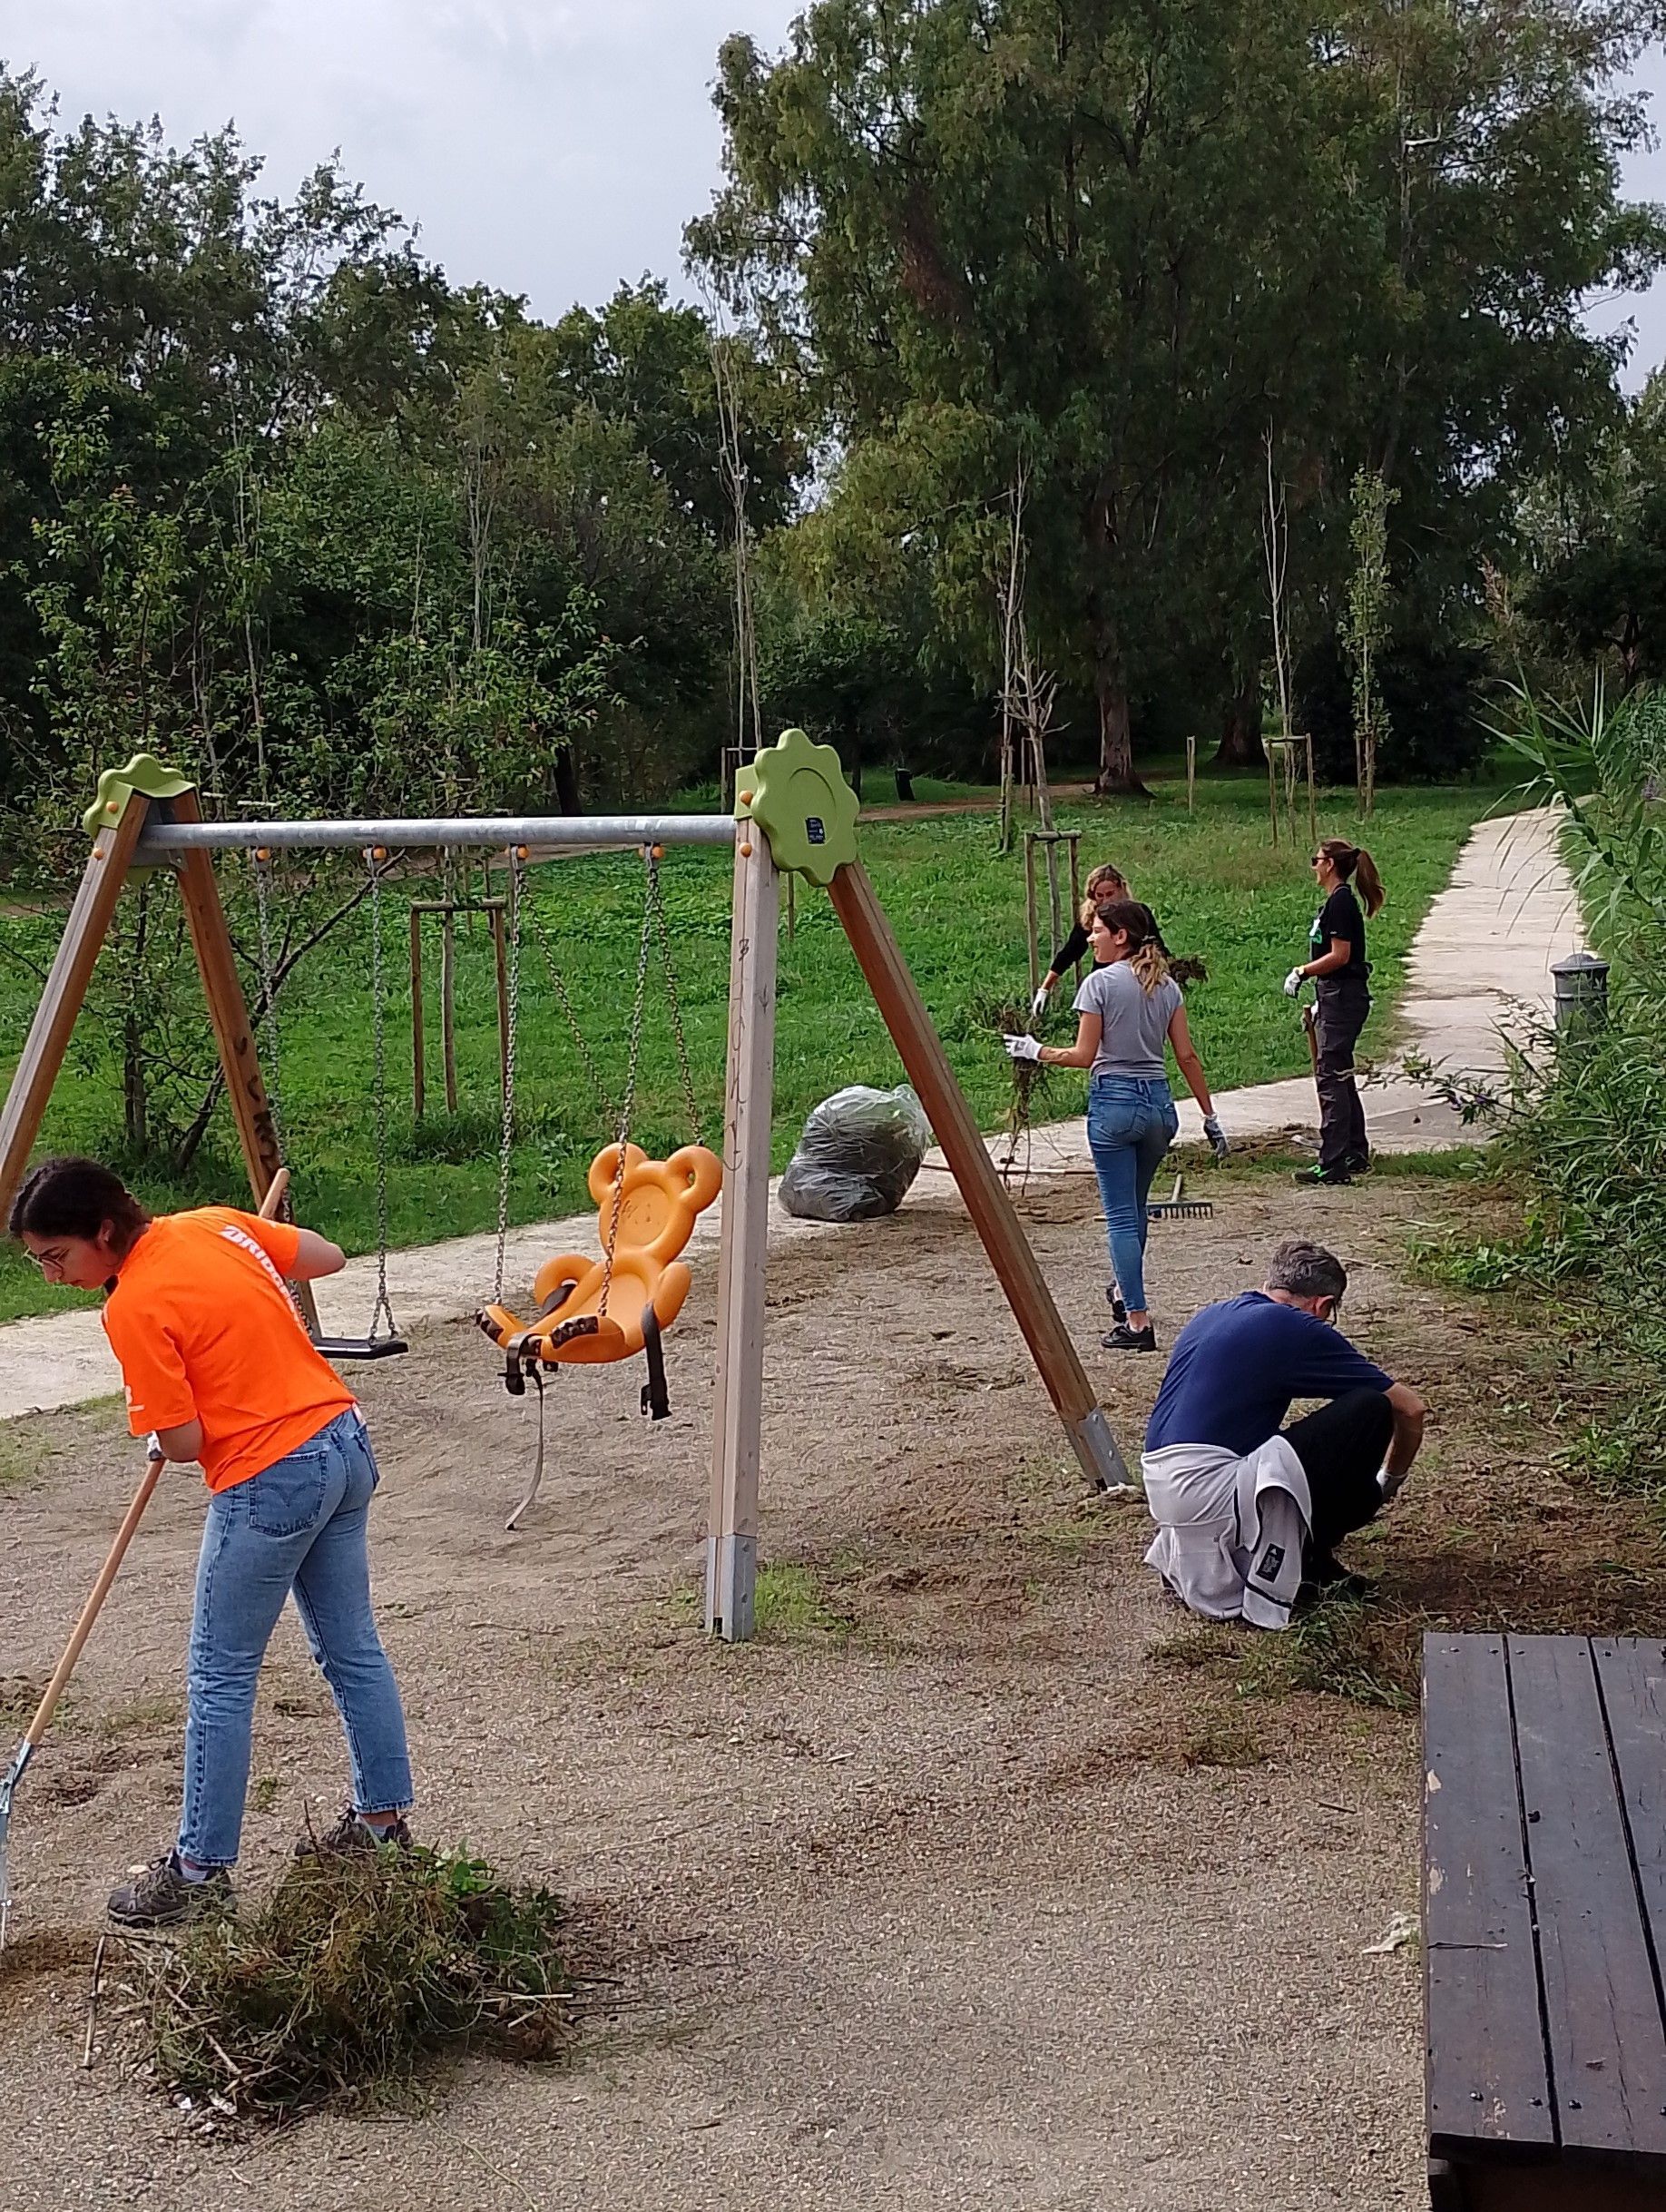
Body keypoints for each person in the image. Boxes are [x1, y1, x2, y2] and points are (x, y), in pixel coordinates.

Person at [9, 1157, 415, 1927]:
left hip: (272, 1477)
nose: (51, 1274)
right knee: (353, 1648)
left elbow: (188, 1440)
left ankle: (199, 1870)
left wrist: (168, 1421)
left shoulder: (131, 1307)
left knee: (221, 1675)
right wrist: (252, 1265)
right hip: (343, 1444)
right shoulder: (214, 1224)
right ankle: (381, 1825)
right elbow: (324, 1254)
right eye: (38, 1262)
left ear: (103, 1230)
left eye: (56, 1256)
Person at [1140, 1237, 1426, 1627]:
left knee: (1288, 1440)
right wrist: (1389, 1482)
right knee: (1370, 1408)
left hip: (1165, 1487)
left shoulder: (1215, 1313)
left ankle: (1294, 1551)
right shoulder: (1295, 1326)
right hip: (1211, 1489)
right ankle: (1307, 1565)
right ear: (1323, 1305)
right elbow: (1410, 1408)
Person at [1006, 900, 1226, 1352]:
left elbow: (1084, 1055)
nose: (1090, 938)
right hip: (1160, 1108)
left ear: (1120, 936)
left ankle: (1138, 1321)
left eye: (1097, 931)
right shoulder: (1165, 986)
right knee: (1137, 1206)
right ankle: (1125, 1293)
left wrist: (1035, 1050)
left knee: (1121, 1216)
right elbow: (1185, 1055)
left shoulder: (1098, 984)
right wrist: (1209, 1114)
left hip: (1116, 1104)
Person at [1284, 837, 1385, 1186]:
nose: (1313, 866)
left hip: (1343, 994)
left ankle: (1333, 1161)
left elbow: (1340, 956)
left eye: (1316, 860)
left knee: (1330, 1074)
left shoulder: (1341, 902)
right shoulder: (1335, 902)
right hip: (1335, 994)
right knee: (1341, 1072)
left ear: (1329, 865)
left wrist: (1304, 971)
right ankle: (1354, 1151)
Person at [1029, 862, 1130, 1020]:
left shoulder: (1136, 915)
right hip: (1103, 981)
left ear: (1121, 890)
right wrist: (1044, 989)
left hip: (1133, 979)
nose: (1105, 901)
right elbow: (1070, 952)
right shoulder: (1090, 918)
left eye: (1110, 894)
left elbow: (1155, 946)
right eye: (1100, 896)